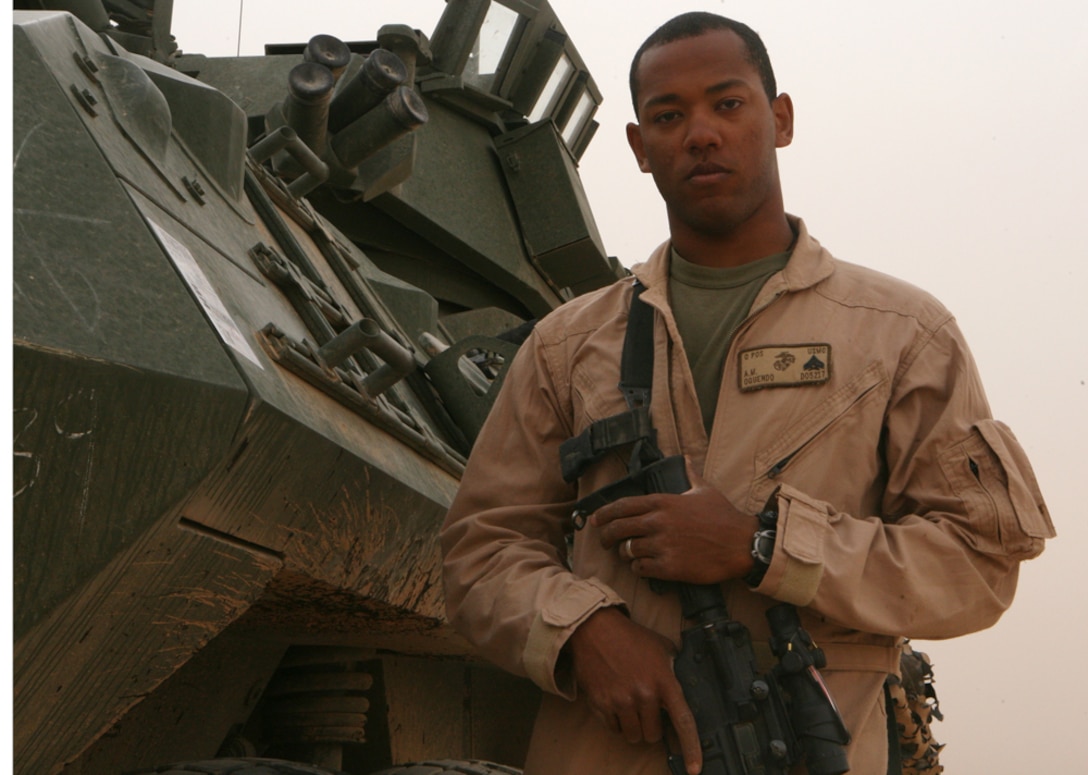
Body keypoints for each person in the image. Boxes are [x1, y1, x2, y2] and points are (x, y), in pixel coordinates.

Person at [440, 12, 1053, 775]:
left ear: (781, 119)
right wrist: (583, 630)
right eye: (669, 115)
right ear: (639, 147)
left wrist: (765, 544)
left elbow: (976, 564)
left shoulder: (902, 334)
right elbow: (479, 549)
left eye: (727, 104)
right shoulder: (568, 345)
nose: (701, 133)